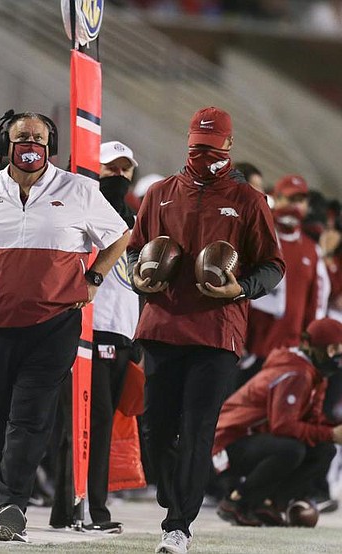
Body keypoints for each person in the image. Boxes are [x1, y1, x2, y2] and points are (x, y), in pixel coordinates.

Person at [0, 111, 129, 541]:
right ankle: (5, 498)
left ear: (52, 143)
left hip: (53, 324)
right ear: (3, 141)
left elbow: (119, 235)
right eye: (21, 136)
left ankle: (11, 506)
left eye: (38, 137)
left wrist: (94, 278)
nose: (30, 143)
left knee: (29, 416)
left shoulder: (79, 189)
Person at [127, 106, 285, 554]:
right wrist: (138, 277)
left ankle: (178, 524)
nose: (202, 153)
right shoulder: (159, 194)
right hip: (160, 326)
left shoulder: (249, 201)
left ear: (229, 146)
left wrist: (242, 287)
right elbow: (134, 253)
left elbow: (274, 265)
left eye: (211, 147)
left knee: (197, 429)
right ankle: (173, 497)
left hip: (216, 333)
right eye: (197, 145)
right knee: (156, 429)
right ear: (187, 140)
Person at [213, 318, 342, 526]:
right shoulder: (296, 373)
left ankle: (270, 503)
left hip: (250, 439)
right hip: (224, 444)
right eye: (334, 349)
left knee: (324, 449)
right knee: (292, 449)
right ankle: (237, 501)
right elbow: (283, 426)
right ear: (317, 346)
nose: (337, 356)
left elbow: (312, 421)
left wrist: (332, 431)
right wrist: (331, 433)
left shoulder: (314, 372)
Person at [82, 140, 140, 533]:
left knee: (109, 420)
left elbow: (135, 279)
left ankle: (76, 503)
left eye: (124, 170)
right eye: (110, 168)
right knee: (96, 420)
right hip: (91, 325)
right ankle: (90, 508)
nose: (118, 176)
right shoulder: (85, 208)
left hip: (125, 330)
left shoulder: (137, 220)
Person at [243, 174, 328, 387]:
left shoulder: (311, 250)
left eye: (300, 200)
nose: (295, 206)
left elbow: (315, 302)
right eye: (290, 200)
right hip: (251, 346)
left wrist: (308, 345)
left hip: (287, 350)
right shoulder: (260, 234)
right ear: (277, 198)